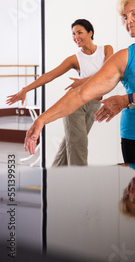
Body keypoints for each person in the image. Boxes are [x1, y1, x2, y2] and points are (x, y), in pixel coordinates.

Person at [24, 0, 135, 166]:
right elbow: (81, 93)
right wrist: (41, 120)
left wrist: (124, 100)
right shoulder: (123, 58)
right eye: (124, 17)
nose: (128, 20)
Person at [6, 19, 113, 166]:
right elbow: (50, 75)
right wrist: (25, 89)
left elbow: (107, 74)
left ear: (90, 33)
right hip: (76, 106)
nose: (76, 37)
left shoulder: (107, 50)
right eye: (73, 34)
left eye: (79, 32)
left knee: (70, 145)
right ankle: (78, 185)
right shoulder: (75, 59)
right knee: (78, 147)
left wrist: (82, 82)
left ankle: (54, 181)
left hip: (94, 105)